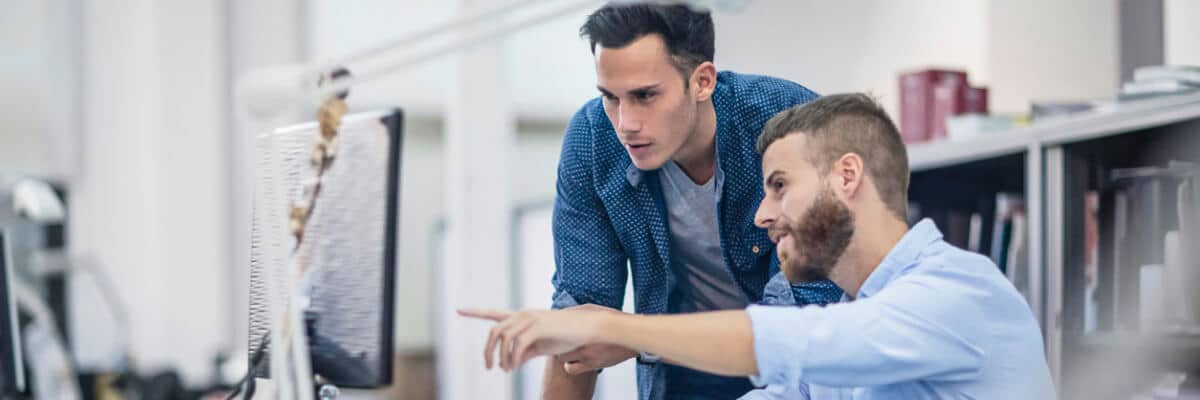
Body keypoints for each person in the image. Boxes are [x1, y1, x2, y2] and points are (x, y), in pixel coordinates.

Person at [463, 93, 1057, 399]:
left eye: (779, 186)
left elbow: (779, 341)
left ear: (846, 176)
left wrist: (609, 326)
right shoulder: (857, 314)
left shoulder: (954, 293)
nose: (762, 215)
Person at [540, 2, 841, 399]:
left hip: (797, 368)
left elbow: (803, 318)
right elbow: (578, 320)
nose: (625, 124)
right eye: (610, 97)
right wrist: (616, 335)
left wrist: (635, 336)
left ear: (702, 82)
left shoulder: (789, 124)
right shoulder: (593, 140)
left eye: (645, 95)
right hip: (682, 372)